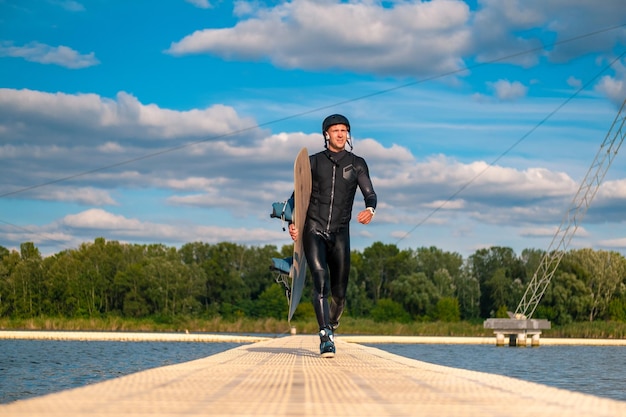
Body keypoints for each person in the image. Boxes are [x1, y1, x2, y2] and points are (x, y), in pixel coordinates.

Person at [288, 114, 377, 358]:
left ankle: (333, 320)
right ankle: (325, 334)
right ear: (326, 134)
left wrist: (370, 209)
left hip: (340, 233)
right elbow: (296, 197)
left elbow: (370, 193)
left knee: (339, 293)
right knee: (320, 279)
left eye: (344, 130)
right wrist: (292, 223)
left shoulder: (357, 163)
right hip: (313, 228)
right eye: (335, 130)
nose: (340, 134)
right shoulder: (313, 162)